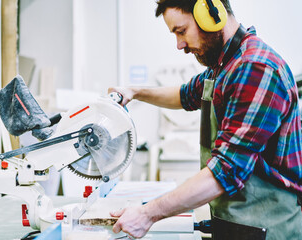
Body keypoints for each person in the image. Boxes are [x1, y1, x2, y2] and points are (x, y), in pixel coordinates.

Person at [108, 0, 302, 239]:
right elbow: (185, 95)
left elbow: (225, 171)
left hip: (269, 229)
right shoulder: (225, 65)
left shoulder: (255, 68)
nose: (179, 45)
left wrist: (147, 214)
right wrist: (134, 92)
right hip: (241, 224)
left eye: (181, 31)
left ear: (211, 14)